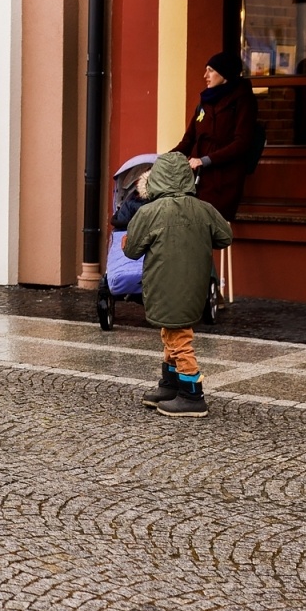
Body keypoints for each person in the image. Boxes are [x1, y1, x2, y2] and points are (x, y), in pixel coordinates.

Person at [123, 153, 232, 419]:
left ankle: (192, 395)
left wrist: (126, 241)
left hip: (163, 285)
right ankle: (170, 385)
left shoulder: (149, 212)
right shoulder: (204, 209)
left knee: (179, 339)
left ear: (156, 179)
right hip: (195, 286)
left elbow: (132, 251)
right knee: (172, 332)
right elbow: (224, 238)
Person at [173, 50, 259, 222]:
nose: (205, 75)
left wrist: (205, 160)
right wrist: (165, 160)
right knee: (192, 223)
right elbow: (189, 140)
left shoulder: (243, 100)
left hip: (224, 180)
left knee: (210, 224)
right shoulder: (206, 100)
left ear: (225, 74)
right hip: (199, 179)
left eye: (210, 70)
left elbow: (242, 142)